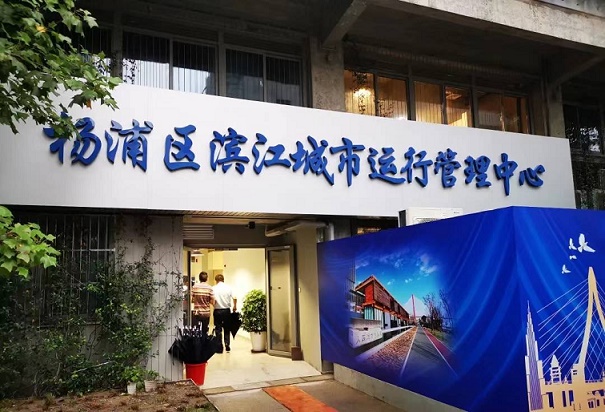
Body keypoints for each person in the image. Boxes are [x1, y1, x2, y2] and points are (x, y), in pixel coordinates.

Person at [212, 274, 237, 353]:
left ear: (216, 280)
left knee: (218, 329)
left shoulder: (213, 288)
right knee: (227, 328)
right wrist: (234, 306)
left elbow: (213, 300)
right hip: (226, 310)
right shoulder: (228, 287)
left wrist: (214, 304)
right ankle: (227, 344)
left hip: (217, 310)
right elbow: (235, 298)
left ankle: (219, 347)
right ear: (223, 279)